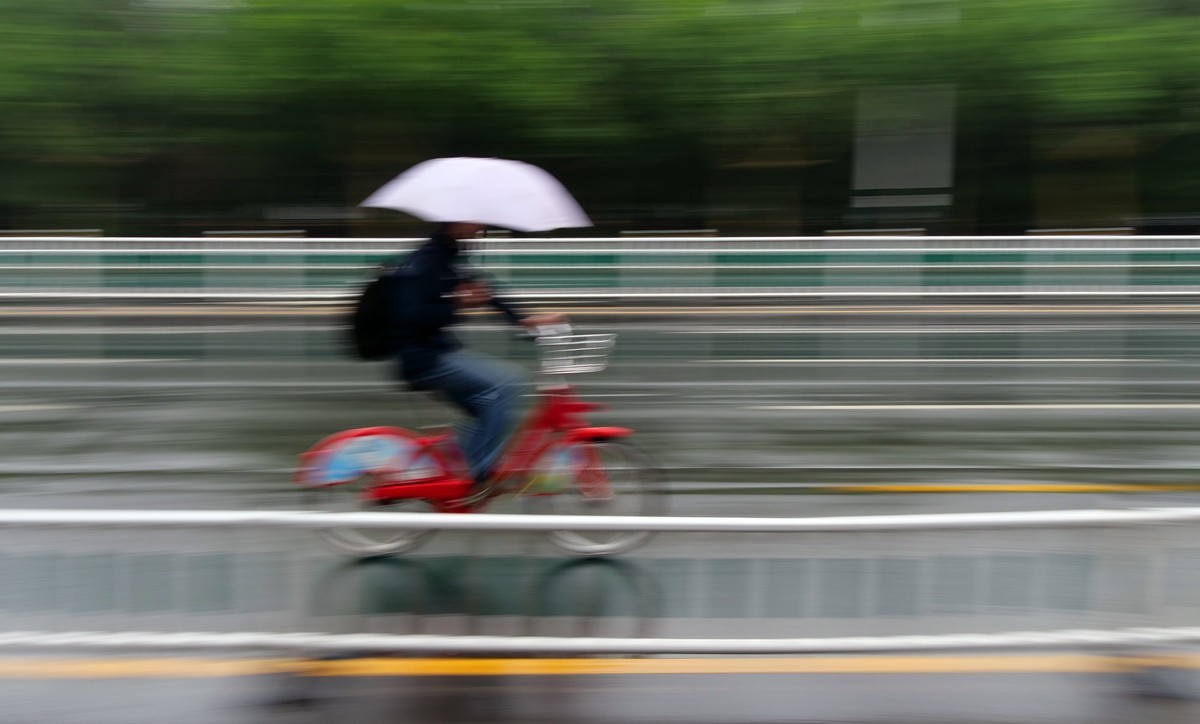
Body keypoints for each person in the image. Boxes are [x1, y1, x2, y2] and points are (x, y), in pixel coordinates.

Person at [393, 221, 564, 494]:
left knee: (487, 406)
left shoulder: (446, 255)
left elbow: (483, 292)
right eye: (474, 221)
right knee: (505, 384)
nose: (479, 226)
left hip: (435, 351)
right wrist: (457, 304)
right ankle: (478, 475)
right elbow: (411, 316)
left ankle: (461, 473)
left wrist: (522, 319)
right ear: (456, 223)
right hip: (422, 358)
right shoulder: (426, 260)